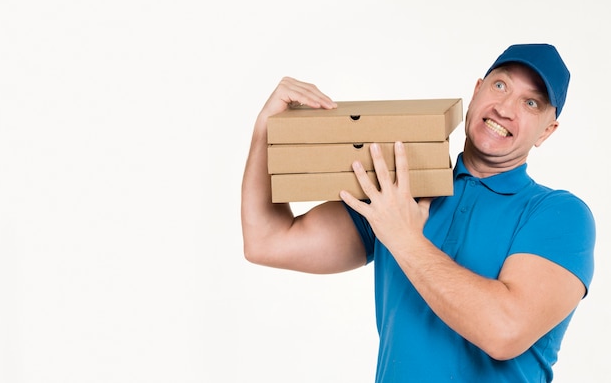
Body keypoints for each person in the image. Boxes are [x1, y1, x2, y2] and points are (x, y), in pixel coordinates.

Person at [240, 44, 595, 382]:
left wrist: (403, 238)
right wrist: (264, 130)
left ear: (547, 131)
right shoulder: (397, 193)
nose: (504, 107)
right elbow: (267, 241)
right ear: (476, 91)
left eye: (530, 102)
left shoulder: (559, 215)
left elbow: (504, 331)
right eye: (500, 84)